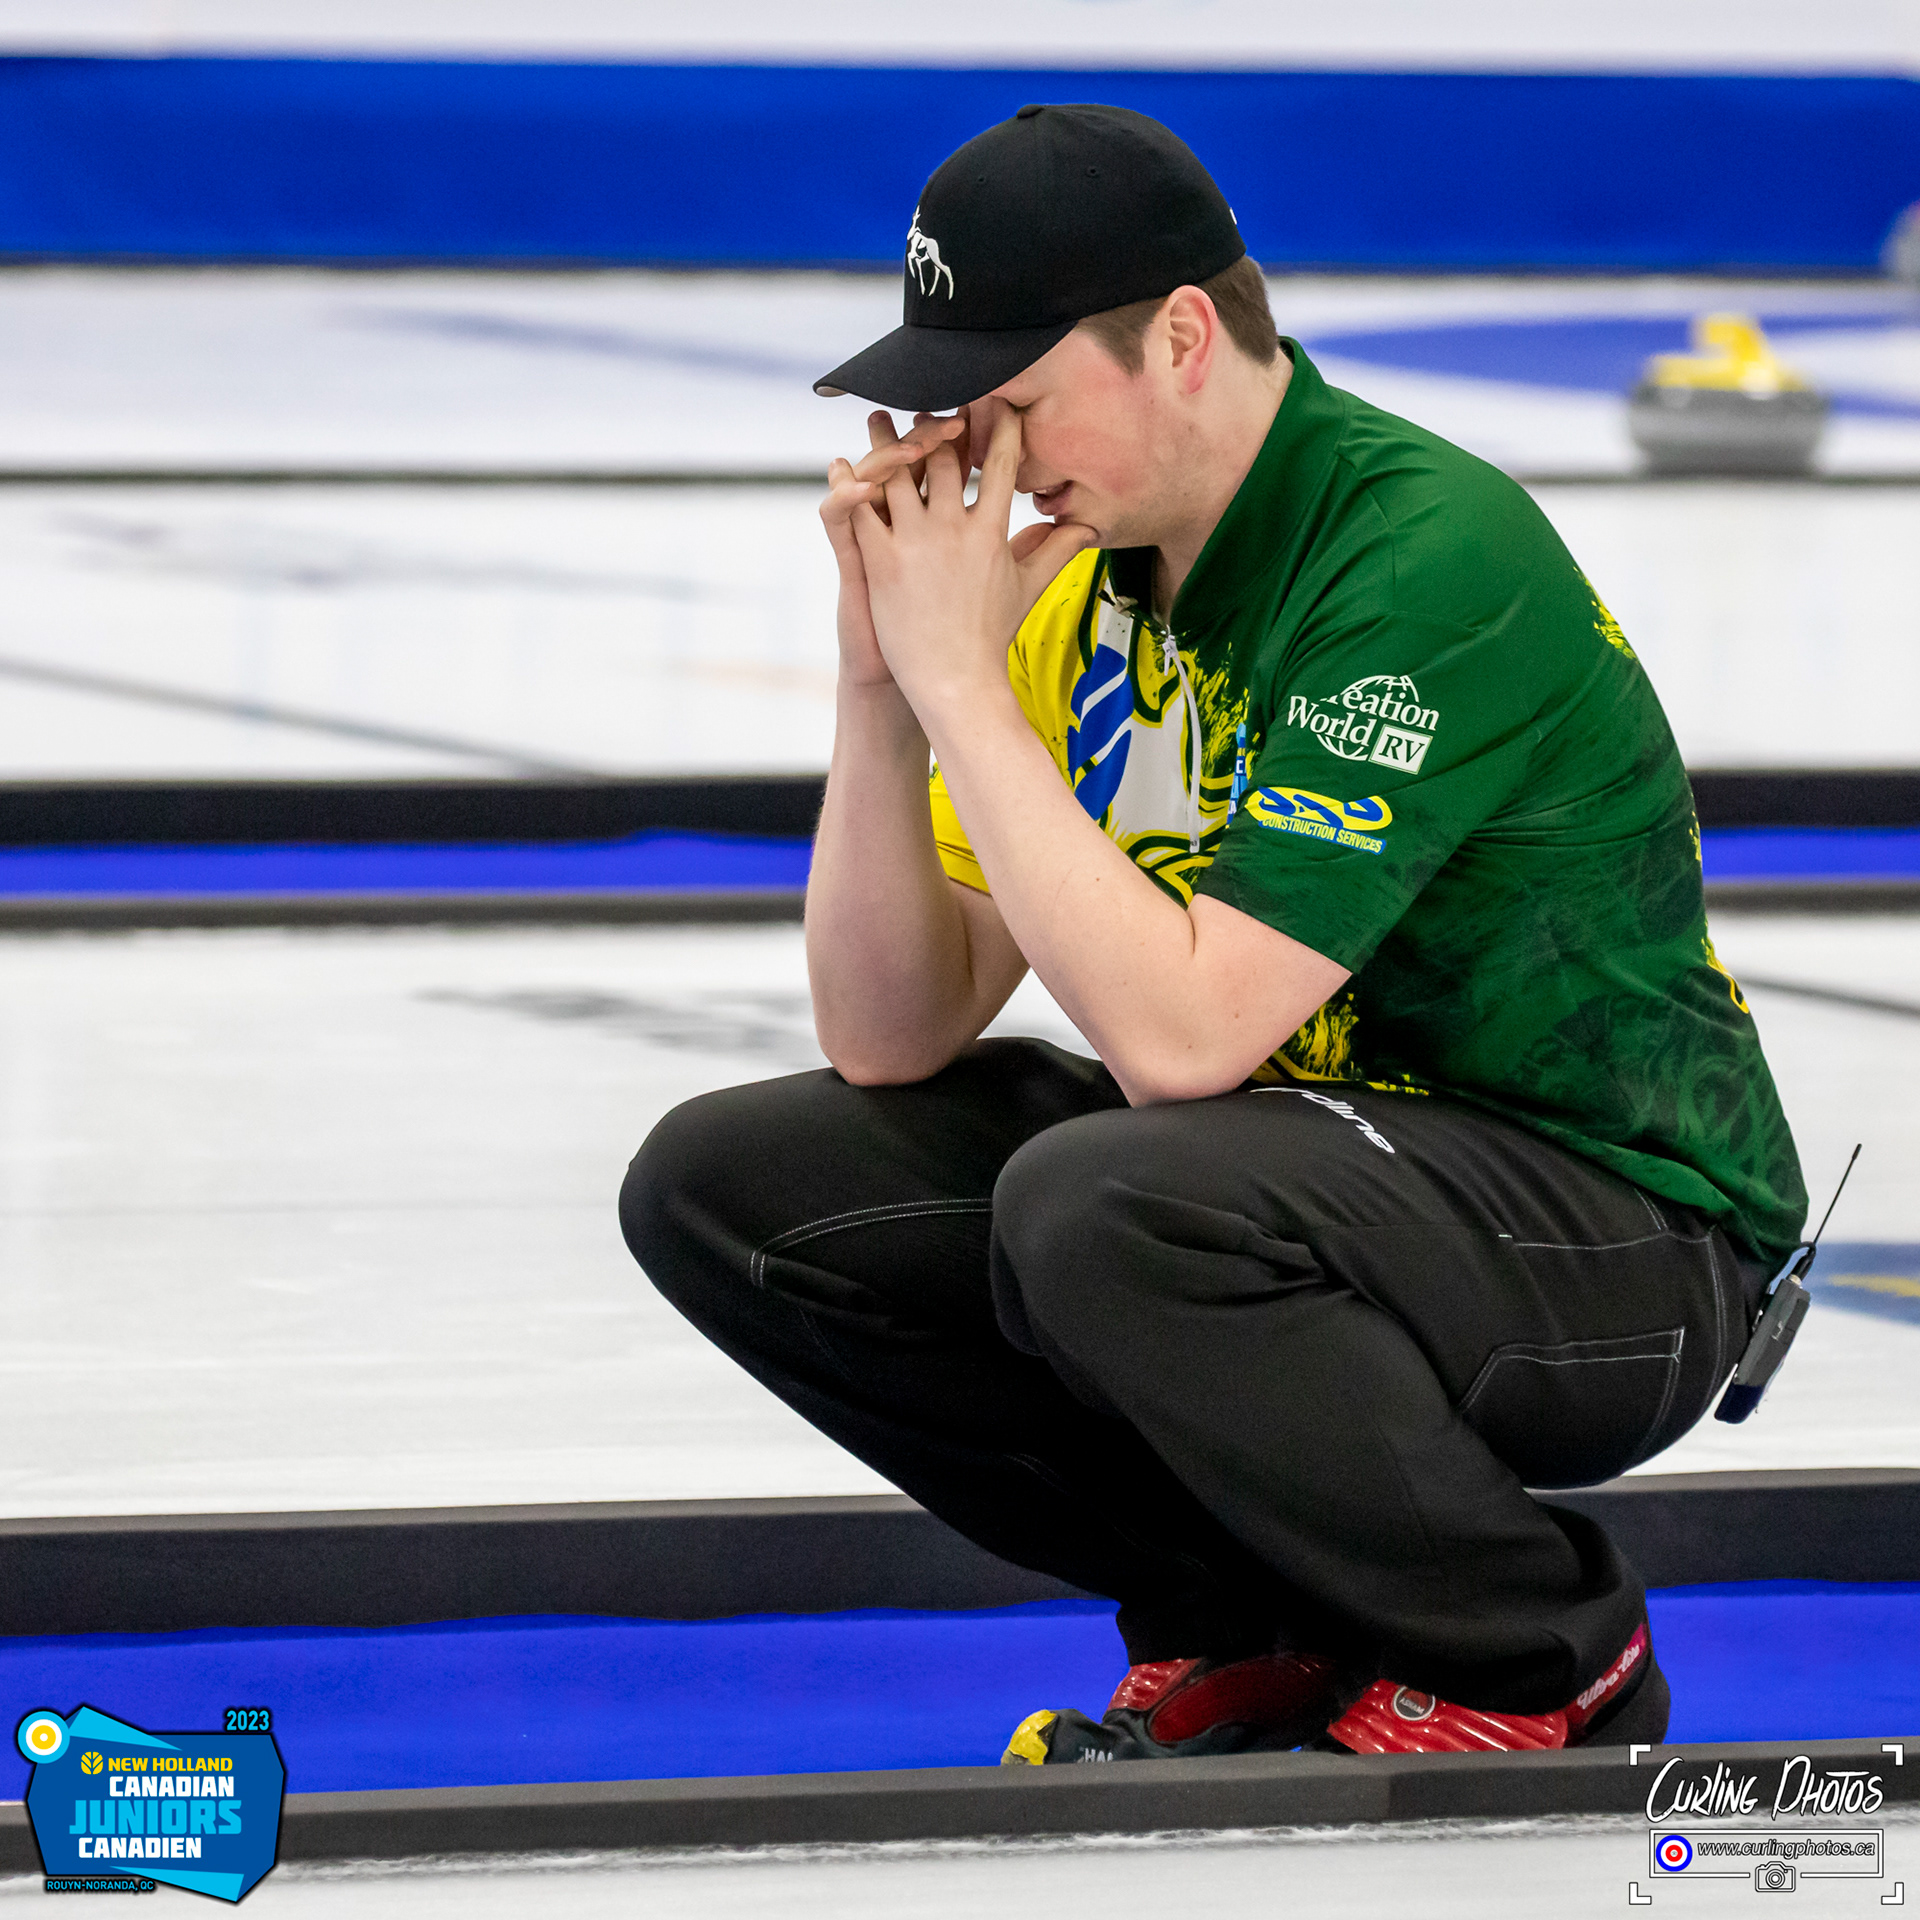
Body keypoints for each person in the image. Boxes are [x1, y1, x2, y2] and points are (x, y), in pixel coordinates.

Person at [620, 103, 1806, 1762]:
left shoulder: (1417, 558)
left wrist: (969, 683)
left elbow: (1184, 1043)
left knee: (1109, 1197)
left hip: (1625, 1234)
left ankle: (1538, 1655)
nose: (985, 454)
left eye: (1016, 397)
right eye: (959, 407)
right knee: (729, 1187)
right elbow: (891, 1032)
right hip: (1308, 1179)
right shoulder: (1087, 582)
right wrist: (887, 686)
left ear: (1181, 338)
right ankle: (1245, 1619)